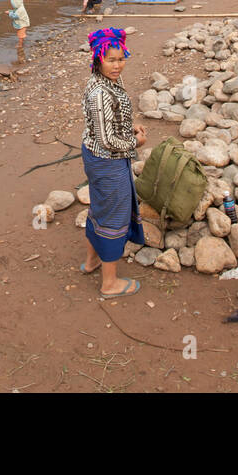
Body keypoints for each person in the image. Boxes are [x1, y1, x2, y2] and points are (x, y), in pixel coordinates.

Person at [78, 28, 147, 298]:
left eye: (121, 59)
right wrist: (135, 143)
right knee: (114, 216)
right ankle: (110, 284)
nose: (117, 65)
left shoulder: (102, 82)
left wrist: (129, 127)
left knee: (99, 207)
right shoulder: (100, 94)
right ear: (98, 59)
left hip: (97, 157)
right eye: (111, 60)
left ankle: (91, 261)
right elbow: (107, 140)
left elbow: (110, 123)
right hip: (106, 160)